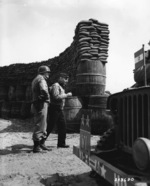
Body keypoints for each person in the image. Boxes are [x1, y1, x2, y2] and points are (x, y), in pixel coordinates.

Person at [44, 72, 72, 148]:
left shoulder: (60, 86)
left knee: (62, 126)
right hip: (54, 108)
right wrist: (67, 95)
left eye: (67, 79)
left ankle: (61, 143)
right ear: (60, 78)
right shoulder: (56, 86)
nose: (67, 81)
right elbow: (56, 97)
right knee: (50, 126)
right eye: (65, 79)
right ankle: (41, 142)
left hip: (59, 109)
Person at [31, 65, 51, 153]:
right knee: (40, 124)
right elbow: (44, 90)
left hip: (37, 102)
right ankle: (36, 147)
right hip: (41, 103)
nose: (48, 75)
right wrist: (46, 97)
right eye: (47, 73)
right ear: (43, 72)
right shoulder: (41, 79)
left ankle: (41, 144)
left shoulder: (36, 79)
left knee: (42, 123)